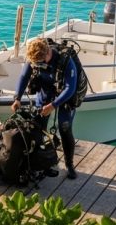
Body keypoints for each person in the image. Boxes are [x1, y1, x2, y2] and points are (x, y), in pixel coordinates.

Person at [11, 37, 79, 179]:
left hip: (65, 95)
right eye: (35, 64)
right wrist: (17, 98)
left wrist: (53, 105)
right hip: (46, 91)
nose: (38, 66)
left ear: (48, 53)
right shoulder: (34, 59)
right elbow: (24, 77)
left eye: (40, 63)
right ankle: (41, 161)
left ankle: (69, 164)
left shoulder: (66, 61)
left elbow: (70, 88)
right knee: (38, 126)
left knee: (64, 127)